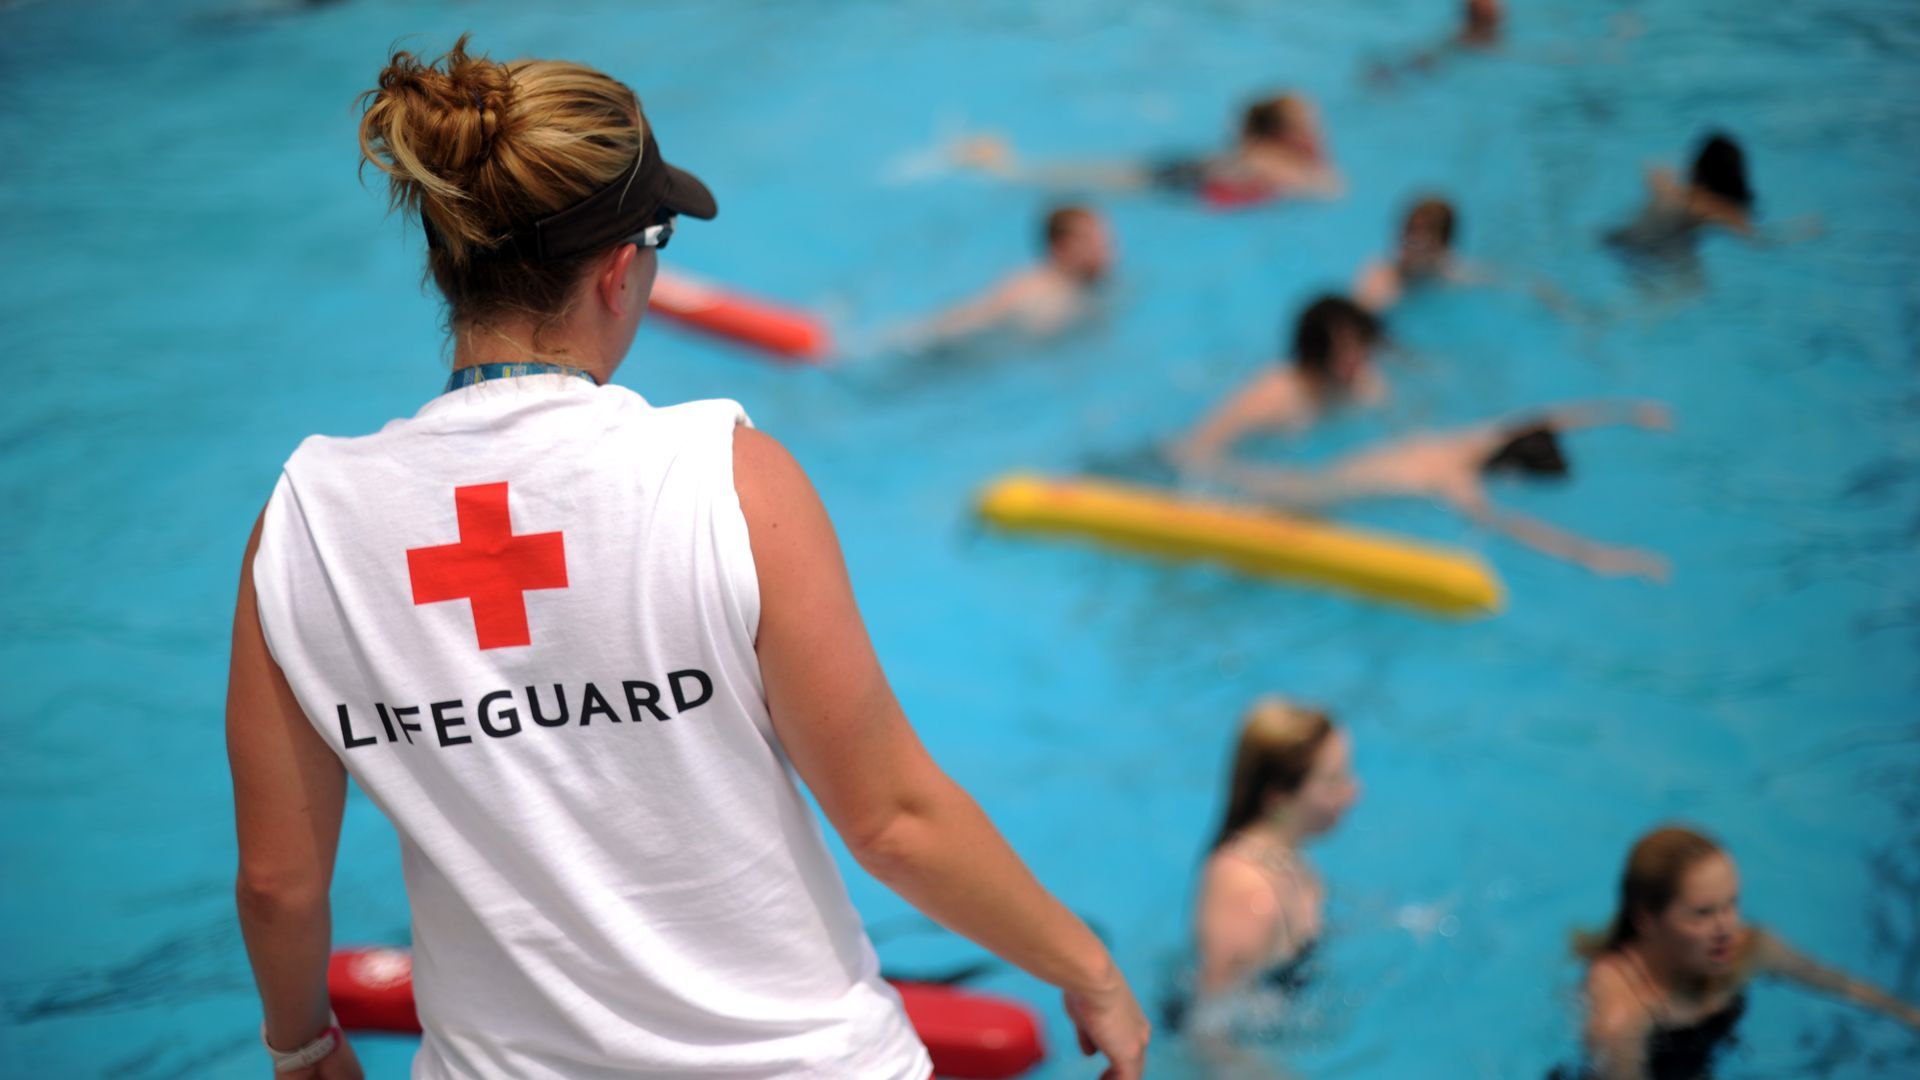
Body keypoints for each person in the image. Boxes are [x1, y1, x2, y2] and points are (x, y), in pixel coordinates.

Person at [226, 36, 1149, 1080]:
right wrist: (1088, 970)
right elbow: (891, 820)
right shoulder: (725, 475)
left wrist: (301, 1047)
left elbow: (277, 883)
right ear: (620, 270)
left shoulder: (305, 518)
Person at [1560, 826, 1920, 1080]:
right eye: (1703, 914)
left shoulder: (1750, 948)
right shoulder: (1623, 1015)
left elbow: (1843, 986)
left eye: (1731, 904)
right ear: (1646, 920)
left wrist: (1910, 1015)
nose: (1726, 928)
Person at [1216, 400, 1673, 580]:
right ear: (1512, 475)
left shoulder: (1479, 435)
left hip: (1315, 477)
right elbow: (1515, 527)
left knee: (1233, 479)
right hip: (1310, 504)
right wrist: (1599, 557)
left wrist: (1629, 413)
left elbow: (1551, 416)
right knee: (1237, 515)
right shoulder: (1458, 485)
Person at [1175, 699, 1358, 1036]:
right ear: (1279, 800)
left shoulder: (1289, 855)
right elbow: (1207, 1035)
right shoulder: (1249, 895)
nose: (1353, 792)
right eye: (1334, 781)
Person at [953, 93, 1341, 202]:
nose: (1319, 138)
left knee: (1106, 173)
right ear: (1283, 136)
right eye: (1310, 129)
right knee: (1102, 180)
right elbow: (1330, 190)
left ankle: (1003, 166)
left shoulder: (1263, 155)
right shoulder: (1274, 161)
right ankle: (1000, 169)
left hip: (1194, 172)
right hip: (1191, 179)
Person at [1172, 295, 1386, 466]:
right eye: (1354, 354)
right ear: (1315, 355)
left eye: (1365, 350)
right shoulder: (1273, 397)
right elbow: (1196, 453)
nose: (1364, 363)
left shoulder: (1357, 385)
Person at [890, 204, 1114, 350]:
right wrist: (911, 337)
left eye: (1106, 240)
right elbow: (976, 315)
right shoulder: (1033, 287)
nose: (1107, 250)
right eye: (1093, 242)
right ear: (1062, 248)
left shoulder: (1080, 288)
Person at [1604, 132, 1757, 255]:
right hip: (1656, 246)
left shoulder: (1676, 190)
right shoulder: (1722, 210)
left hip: (1627, 236)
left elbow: (1651, 169)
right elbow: (1749, 236)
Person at [1353, 196, 1480, 312]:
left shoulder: (1457, 278)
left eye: (1420, 238)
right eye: (1408, 230)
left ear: (1442, 246)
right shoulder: (1381, 278)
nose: (1408, 243)